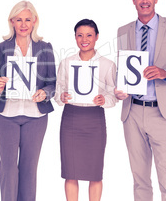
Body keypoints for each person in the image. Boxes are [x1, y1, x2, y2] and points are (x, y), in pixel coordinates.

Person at [115, 0, 166, 201]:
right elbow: (123, 69)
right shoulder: (123, 31)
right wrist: (120, 90)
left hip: (162, 112)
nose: (144, 0)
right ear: (133, 0)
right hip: (133, 113)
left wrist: (164, 73)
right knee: (140, 179)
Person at [0, 0, 56, 201]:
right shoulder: (2, 47)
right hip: (7, 115)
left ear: (35, 21)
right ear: (12, 21)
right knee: (8, 169)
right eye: (19, 19)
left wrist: (45, 92)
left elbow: (53, 83)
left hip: (35, 116)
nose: (24, 24)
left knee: (28, 169)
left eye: (28, 19)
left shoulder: (45, 47)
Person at [55, 19, 116, 201]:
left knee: (95, 172)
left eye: (89, 35)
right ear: (75, 37)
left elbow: (114, 96)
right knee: (70, 172)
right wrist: (62, 96)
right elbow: (58, 90)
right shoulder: (66, 63)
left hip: (94, 121)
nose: (84, 39)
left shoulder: (107, 65)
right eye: (80, 35)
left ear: (97, 37)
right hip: (71, 119)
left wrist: (104, 99)